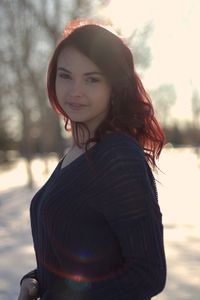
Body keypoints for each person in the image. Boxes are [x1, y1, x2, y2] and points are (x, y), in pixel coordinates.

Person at [18, 19, 166, 300]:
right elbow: (83, 253)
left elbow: (148, 274)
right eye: (65, 75)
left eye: (92, 79)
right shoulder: (75, 154)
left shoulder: (117, 157)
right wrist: (36, 279)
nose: (75, 91)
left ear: (114, 86)